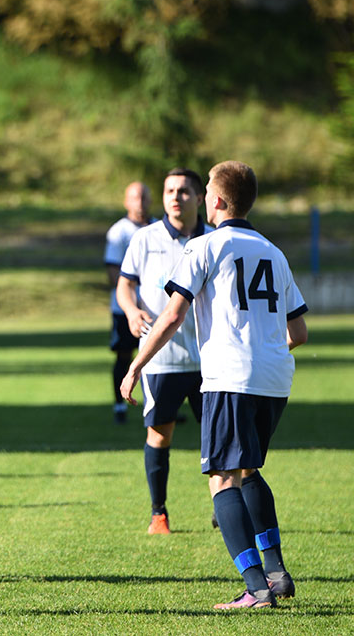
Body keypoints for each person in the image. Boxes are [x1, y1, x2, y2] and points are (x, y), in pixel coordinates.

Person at [121, 161, 308, 610]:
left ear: (219, 201)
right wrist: (264, 349)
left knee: (222, 478)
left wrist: (135, 366)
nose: (203, 196)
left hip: (230, 376)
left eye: (206, 190)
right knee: (248, 472)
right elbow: (298, 332)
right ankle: (277, 572)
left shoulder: (206, 246)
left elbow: (171, 316)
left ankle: (255, 587)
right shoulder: (273, 251)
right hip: (275, 378)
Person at [116, 168, 207, 534]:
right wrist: (131, 309)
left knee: (220, 438)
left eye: (183, 191)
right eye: (170, 190)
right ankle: (159, 513)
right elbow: (125, 285)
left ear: (200, 198)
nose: (175, 197)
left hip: (211, 358)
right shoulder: (145, 238)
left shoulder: (215, 239)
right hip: (160, 357)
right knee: (160, 434)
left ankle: (227, 506)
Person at [105, 181, 153, 424]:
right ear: (126, 202)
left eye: (144, 197)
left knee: (157, 356)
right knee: (124, 356)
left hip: (155, 309)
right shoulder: (119, 232)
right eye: (135, 198)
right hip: (124, 308)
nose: (140, 202)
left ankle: (161, 405)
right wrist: (132, 293)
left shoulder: (160, 229)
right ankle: (119, 405)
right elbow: (113, 273)